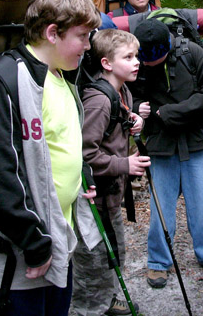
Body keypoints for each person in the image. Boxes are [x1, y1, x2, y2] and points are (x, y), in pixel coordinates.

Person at [0, 0, 102, 316]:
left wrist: (81, 177)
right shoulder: (2, 80)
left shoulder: (62, 77)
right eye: (83, 37)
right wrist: (36, 244)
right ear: (53, 32)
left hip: (56, 244)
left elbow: (65, 141)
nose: (88, 46)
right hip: (19, 260)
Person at [129, 18, 203, 288]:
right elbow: (128, 94)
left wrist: (173, 112)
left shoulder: (191, 53)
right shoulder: (138, 63)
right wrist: (139, 108)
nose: (148, 66)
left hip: (197, 139)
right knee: (160, 206)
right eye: (144, 61)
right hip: (160, 144)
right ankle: (159, 262)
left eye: (153, 60)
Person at [72, 29, 150, 315]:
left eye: (136, 55)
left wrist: (133, 120)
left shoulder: (121, 90)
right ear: (106, 63)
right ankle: (89, 308)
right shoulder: (99, 100)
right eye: (128, 57)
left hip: (112, 194)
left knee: (113, 252)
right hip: (94, 198)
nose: (136, 62)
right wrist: (124, 164)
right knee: (93, 258)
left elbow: (114, 128)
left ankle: (107, 299)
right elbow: (83, 154)